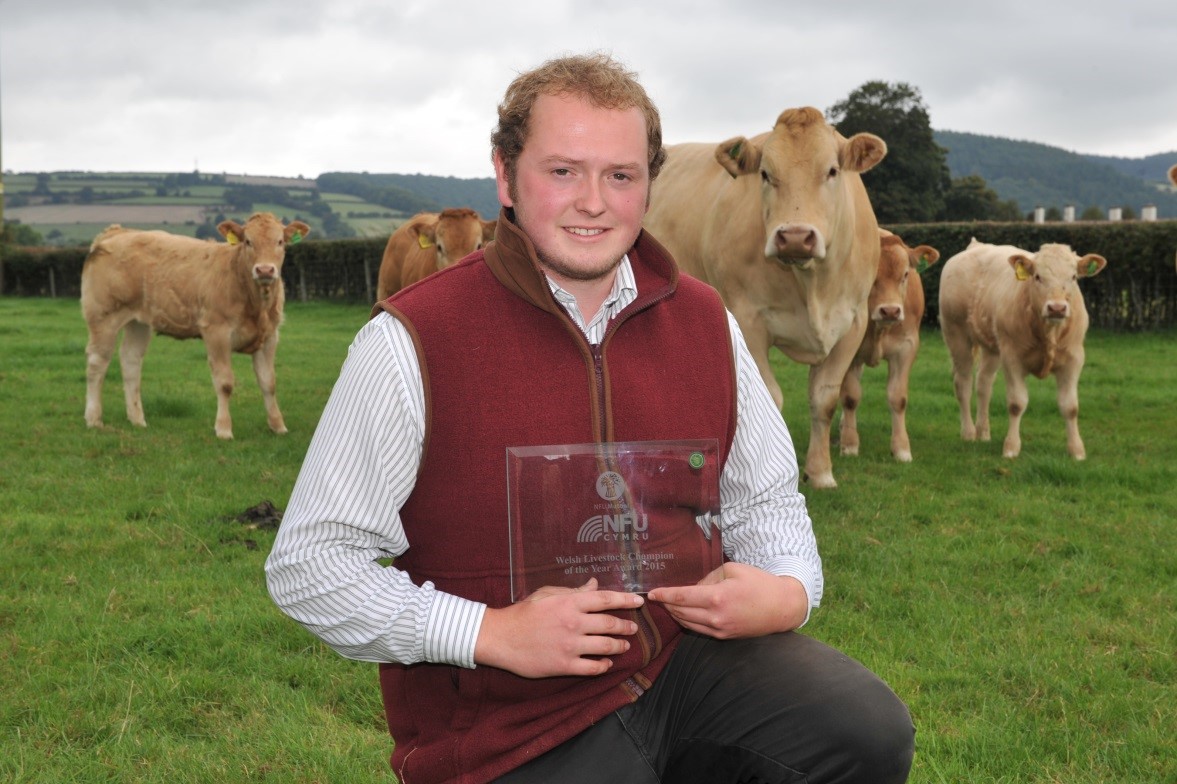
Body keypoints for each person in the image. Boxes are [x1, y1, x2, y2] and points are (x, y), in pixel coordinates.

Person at [265, 52, 914, 784]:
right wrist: (488, 631)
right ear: (505, 178)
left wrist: (789, 588)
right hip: (506, 716)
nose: (594, 202)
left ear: (649, 183)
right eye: (562, 171)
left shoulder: (705, 321)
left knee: (862, 730)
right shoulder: (412, 338)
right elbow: (309, 565)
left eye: (621, 175)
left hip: (682, 662)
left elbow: (765, 500)